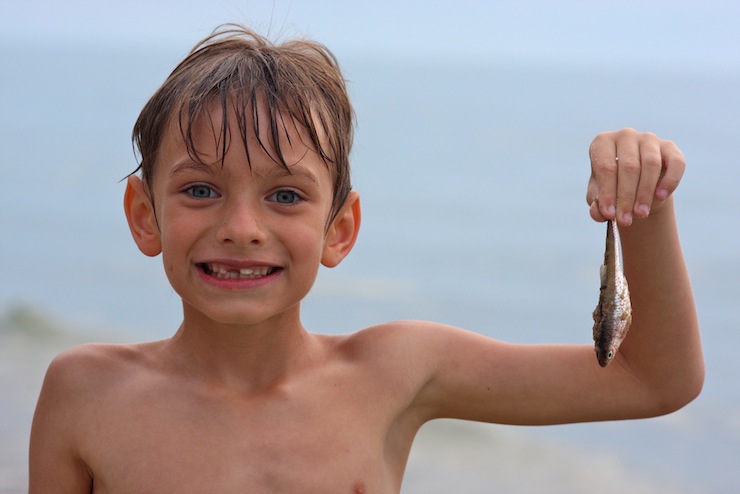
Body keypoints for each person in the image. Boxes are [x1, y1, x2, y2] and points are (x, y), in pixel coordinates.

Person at [28, 25, 704, 493]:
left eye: (285, 195)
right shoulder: (85, 393)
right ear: (144, 216)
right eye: (200, 190)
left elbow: (653, 379)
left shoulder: (395, 371)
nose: (240, 228)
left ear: (340, 229)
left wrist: (645, 206)